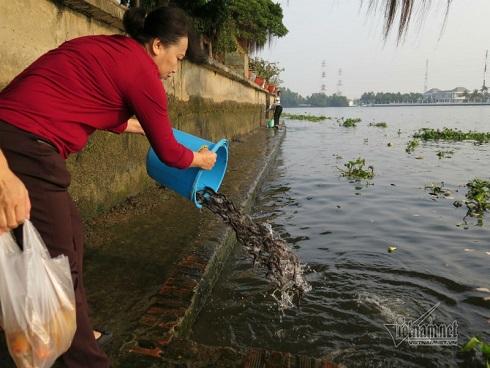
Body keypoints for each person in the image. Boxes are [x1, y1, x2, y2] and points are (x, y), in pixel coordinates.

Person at [0, 6, 216, 368]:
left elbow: (95, 103)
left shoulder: (115, 50)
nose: (175, 68)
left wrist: (146, 130)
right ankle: (83, 357)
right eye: (176, 57)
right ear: (157, 45)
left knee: (71, 235)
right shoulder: (142, 72)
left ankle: (76, 330)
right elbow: (168, 152)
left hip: (20, 138)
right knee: (59, 258)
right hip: (27, 145)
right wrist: (199, 160)